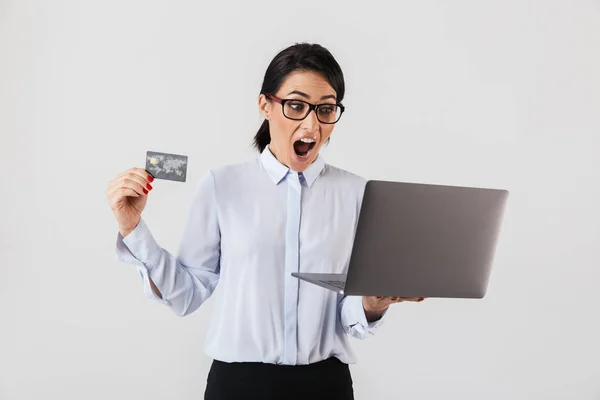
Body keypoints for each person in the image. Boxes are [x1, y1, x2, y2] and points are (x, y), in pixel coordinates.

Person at [106, 43, 425, 400]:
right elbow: (185, 294)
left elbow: (349, 313)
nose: (311, 123)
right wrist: (132, 228)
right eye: (296, 105)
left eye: (325, 109)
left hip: (326, 385)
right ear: (265, 106)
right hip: (240, 386)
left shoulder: (358, 194)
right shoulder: (221, 186)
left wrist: (373, 304)